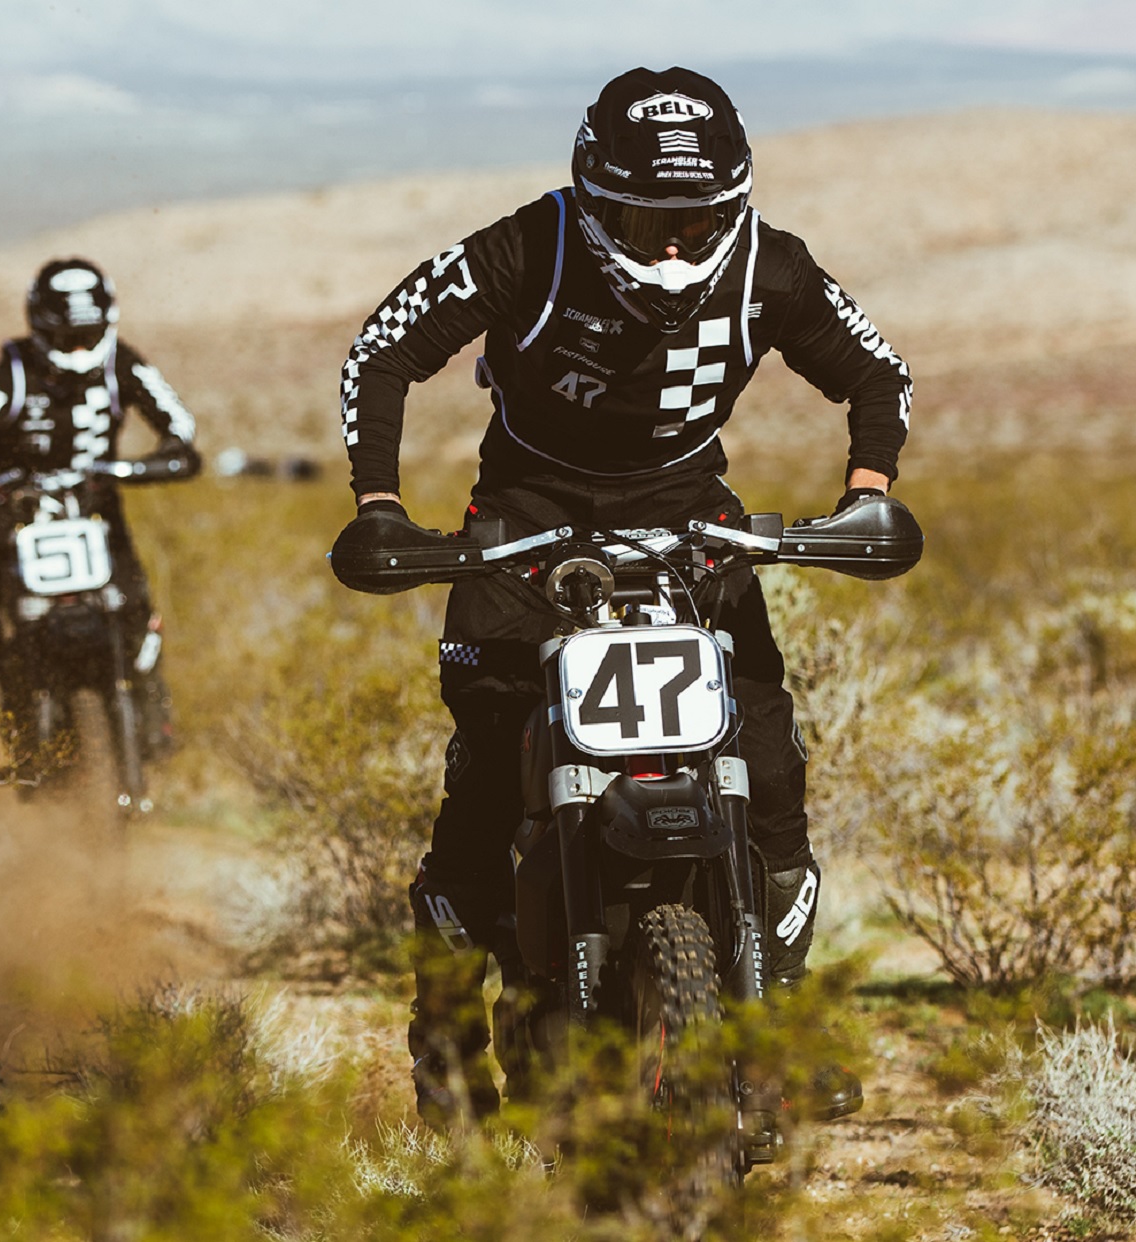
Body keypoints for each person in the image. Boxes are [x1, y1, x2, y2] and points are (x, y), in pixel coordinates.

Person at [333, 67, 910, 1126]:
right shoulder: (530, 245)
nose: (675, 248)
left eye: (697, 221)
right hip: (523, 524)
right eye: (649, 221)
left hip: (693, 524)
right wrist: (381, 508)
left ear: (734, 204)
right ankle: (448, 1052)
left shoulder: (772, 266)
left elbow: (879, 372)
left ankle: (779, 1023)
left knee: (770, 768)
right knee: (486, 785)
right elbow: (381, 351)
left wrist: (866, 496)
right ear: (596, 198)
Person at [0, 257, 200, 771]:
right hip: (11, 516)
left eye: (88, 335)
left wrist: (138, 468)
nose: (79, 349)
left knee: (139, 617)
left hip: (97, 515)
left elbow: (181, 429)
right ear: (40, 326)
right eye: (66, 338)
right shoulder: (12, 374)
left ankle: (155, 730)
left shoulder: (123, 363)